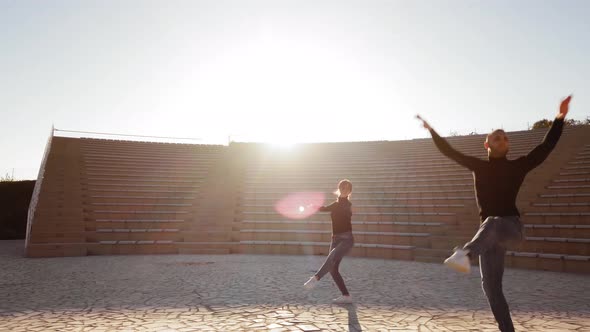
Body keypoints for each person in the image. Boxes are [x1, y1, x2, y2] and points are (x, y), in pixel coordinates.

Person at [416, 95, 572, 332]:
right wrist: (432, 130)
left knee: (492, 222)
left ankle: (465, 256)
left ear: (507, 145)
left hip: (510, 228)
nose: (501, 139)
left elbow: (545, 148)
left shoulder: (518, 166)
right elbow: (450, 152)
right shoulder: (478, 167)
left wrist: (560, 117)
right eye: (496, 137)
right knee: (490, 287)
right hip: (488, 238)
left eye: (504, 138)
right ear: (486, 144)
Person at [303, 179, 355, 304]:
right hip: (335, 238)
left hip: (347, 239)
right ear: (339, 189)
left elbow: (345, 209)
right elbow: (324, 208)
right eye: (342, 187)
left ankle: (315, 278)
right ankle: (346, 296)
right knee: (333, 269)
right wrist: (313, 207)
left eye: (347, 188)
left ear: (349, 191)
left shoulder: (347, 204)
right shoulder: (336, 204)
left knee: (332, 257)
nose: (344, 190)